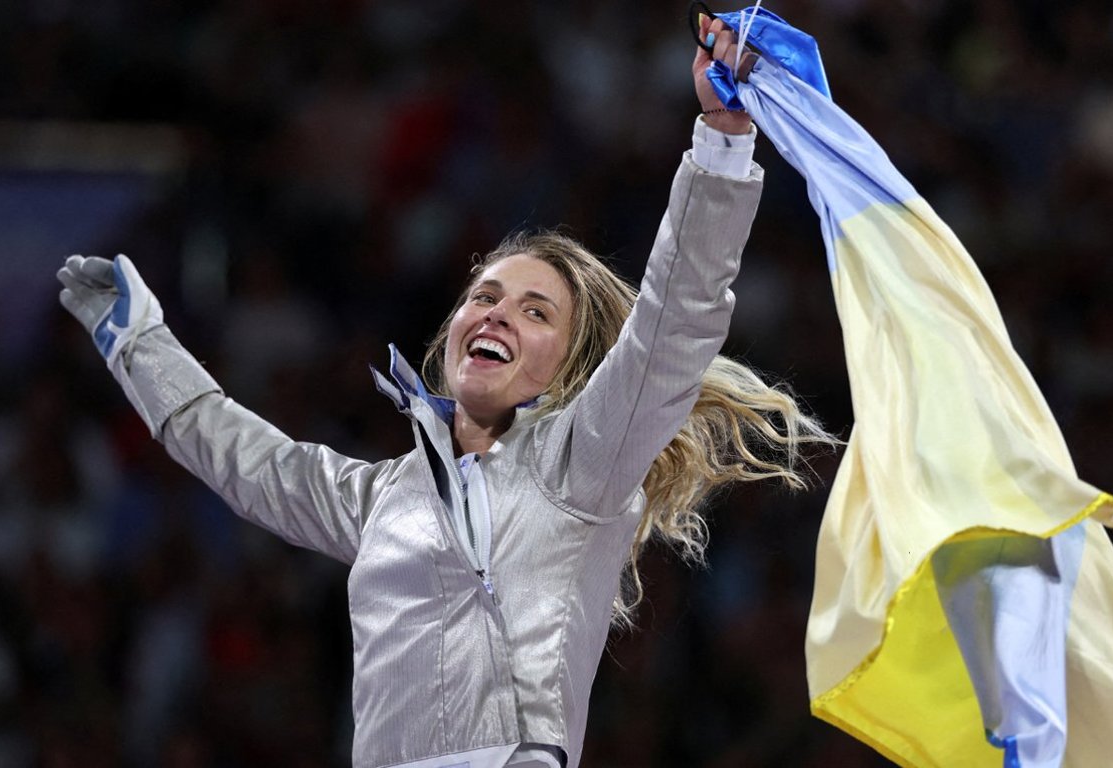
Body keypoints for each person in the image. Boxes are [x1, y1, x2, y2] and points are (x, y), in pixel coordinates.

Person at [56, 17, 831, 768]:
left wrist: (722, 140)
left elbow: (674, 321)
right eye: (484, 296)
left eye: (535, 311)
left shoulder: (582, 465)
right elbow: (241, 458)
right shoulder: (378, 497)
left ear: (568, 367)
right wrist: (137, 343)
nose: (496, 313)